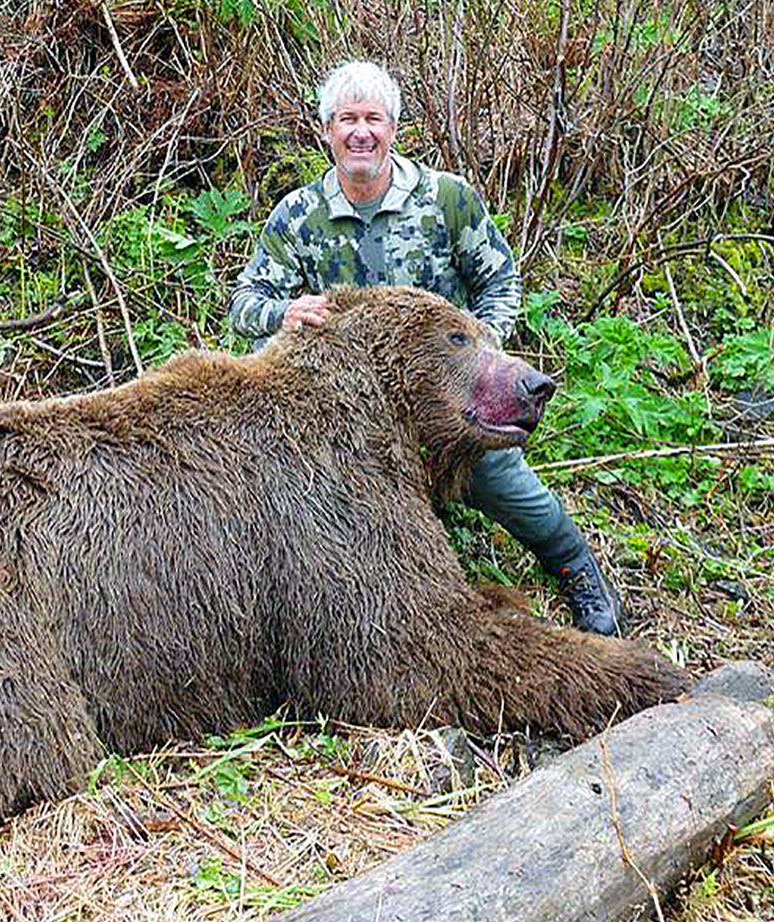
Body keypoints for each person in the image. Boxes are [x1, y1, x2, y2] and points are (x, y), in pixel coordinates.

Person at [229, 60, 625, 636]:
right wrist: (282, 311)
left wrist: (481, 355)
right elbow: (246, 303)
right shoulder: (298, 216)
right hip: (342, 413)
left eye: (372, 119)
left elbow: (500, 281)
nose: (360, 132)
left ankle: (577, 567)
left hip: (447, 403)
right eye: (347, 120)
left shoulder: (445, 199)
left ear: (393, 128)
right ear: (327, 131)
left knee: (505, 485)